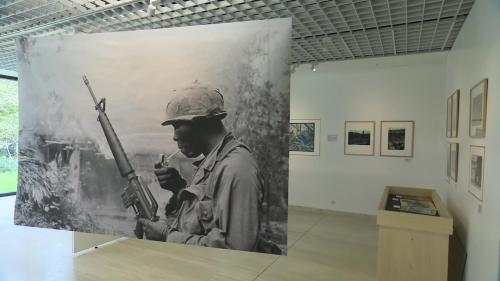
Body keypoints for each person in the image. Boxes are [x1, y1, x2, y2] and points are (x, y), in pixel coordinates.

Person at [138, 83, 264, 252]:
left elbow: (235, 250)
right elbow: (202, 221)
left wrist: (167, 236)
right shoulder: (214, 162)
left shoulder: (235, 168)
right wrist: (178, 189)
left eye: (177, 126)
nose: (174, 137)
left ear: (200, 123)